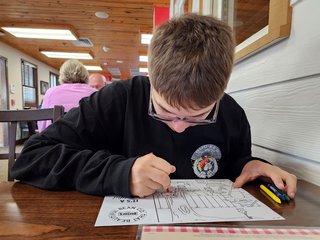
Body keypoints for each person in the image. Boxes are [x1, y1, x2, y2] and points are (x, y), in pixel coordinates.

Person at [11, 13, 297, 199]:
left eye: (199, 116)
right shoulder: (118, 99)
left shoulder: (232, 114)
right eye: (164, 111)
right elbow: (31, 158)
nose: (180, 127)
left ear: (219, 95)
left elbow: (230, 165)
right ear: (152, 82)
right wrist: (119, 174)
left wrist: (250, 164)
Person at [37, 59, 97, 132]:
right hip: (87, 140)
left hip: (56, 139)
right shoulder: (95, 93)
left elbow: (42, 125)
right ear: (85, 74)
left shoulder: (51, 92)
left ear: (62, 75)